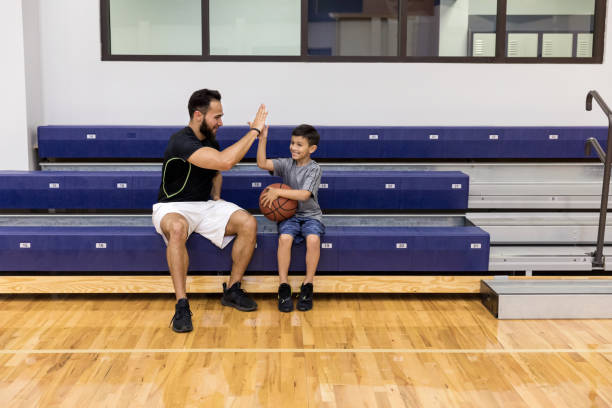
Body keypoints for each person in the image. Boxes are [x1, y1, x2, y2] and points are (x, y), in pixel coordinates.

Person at [152, 89, 267, 332]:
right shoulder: (181, 141)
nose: (220, 122)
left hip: (204, 206)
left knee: (248, 222)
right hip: (173, 207)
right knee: (177, 228)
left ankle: (233, 289)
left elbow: (215, 171)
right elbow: (225, 162)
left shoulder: (208, 140)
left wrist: (216, 199)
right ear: (197, 115)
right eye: (216, 117)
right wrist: (254, 132)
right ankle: (182, 305)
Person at [257, 124, 324, 312]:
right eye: (292, 143)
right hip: (290, 215)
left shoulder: (314, 169)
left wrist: (278, 192)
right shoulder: (287, 164)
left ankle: (308, 285)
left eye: (299, 144)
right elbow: (262, 163)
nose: (294, 147)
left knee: (313, 239)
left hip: (311, 215)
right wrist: (262, 138)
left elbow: (304, 195)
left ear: (311, 149)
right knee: (285, 239)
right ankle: (284, 286)